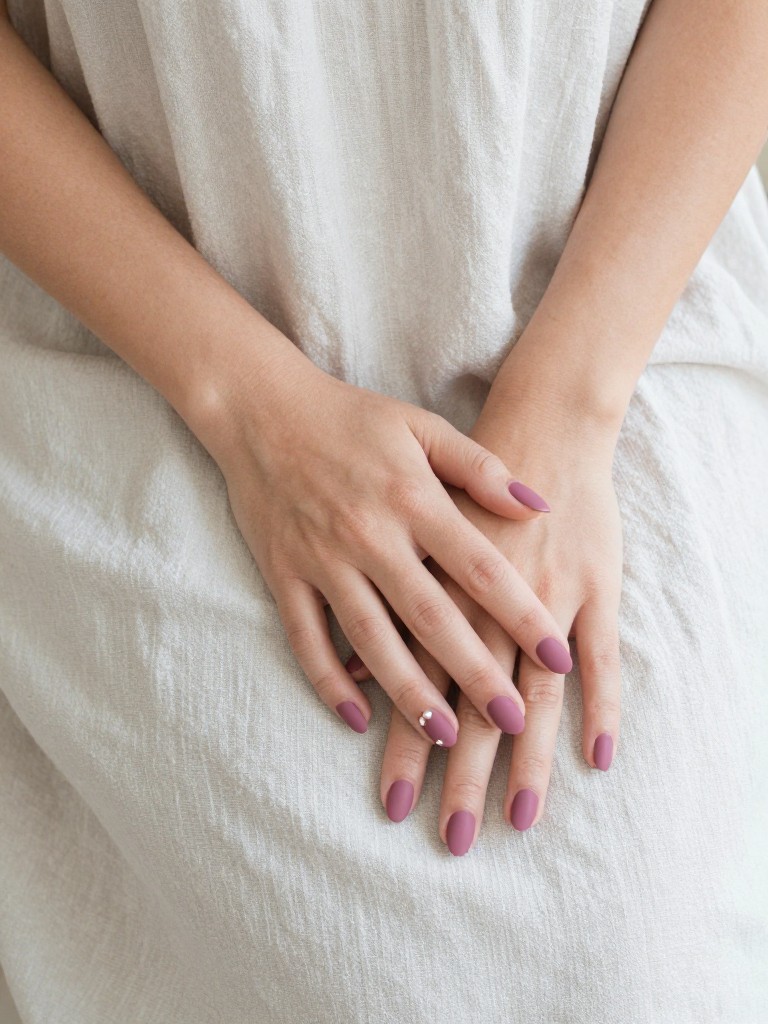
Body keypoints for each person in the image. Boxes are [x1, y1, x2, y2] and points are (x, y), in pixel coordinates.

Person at [1, 0, 767, 1020]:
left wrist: (569, 406)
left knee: (635, 951)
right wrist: (252, 412)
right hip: (148, 333)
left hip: (621, 275)